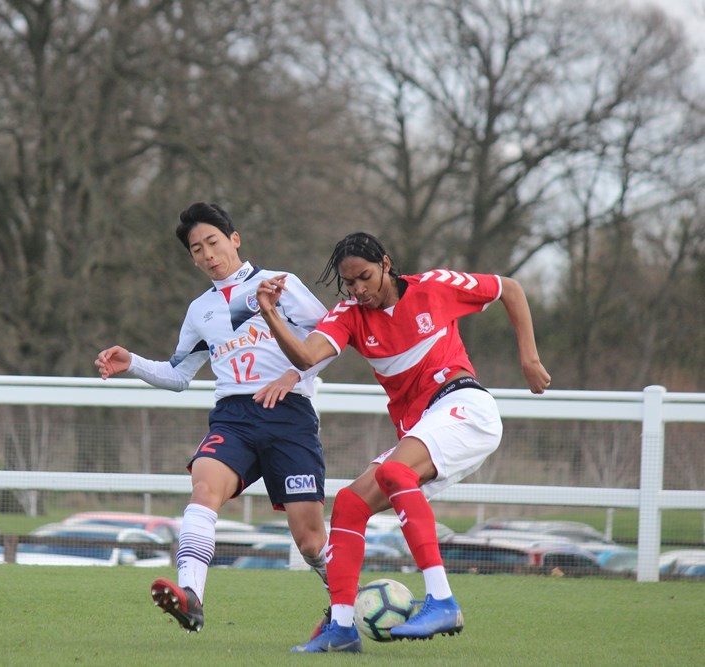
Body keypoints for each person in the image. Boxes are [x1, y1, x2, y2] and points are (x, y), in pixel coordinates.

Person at [255, 232, 551, 652]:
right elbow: (306, 356)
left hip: (465, 406)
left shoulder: (434, 286)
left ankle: (443, 600)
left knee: (395, 471)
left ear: (386, 264)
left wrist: (530, 357)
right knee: (350, 504)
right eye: (349, 283)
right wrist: (271, 314)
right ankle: (341, 629)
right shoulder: (350, 315)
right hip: (427, 426)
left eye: (364, 277)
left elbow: (510, 289)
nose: (358, 290)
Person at [95, 202, 334, 634]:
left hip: (290, 415)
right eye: (196, 249)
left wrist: (293, 373)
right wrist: (131, 362)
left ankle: (347, 609)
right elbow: (178, 375)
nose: (207, 254)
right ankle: (191, 596)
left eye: (213, 242)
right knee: (203, 487)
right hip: (234, 418)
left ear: (234, 239)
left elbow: (331, 336)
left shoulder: (279, 283)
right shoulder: (199, 310)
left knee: (311, 542)